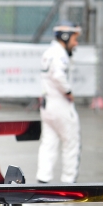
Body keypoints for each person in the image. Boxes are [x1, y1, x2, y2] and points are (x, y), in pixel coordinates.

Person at [36, 21, 82, 184]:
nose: (76, 43)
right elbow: (58, 75)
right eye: (74, 39)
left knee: (48, 142)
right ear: (65, 36)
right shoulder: (59, 54)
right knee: (71, 144)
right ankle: (69, 181)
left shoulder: (49, 52)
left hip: (48, 105)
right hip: (60, 104)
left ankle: (43, 178)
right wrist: (68, 91)